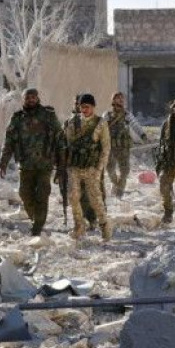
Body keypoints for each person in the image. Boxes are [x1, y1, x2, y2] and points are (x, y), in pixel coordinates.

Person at [0, 88, 65, 236]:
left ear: (38, 98)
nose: (31, 100)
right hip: (25, 164)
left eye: (33, 97)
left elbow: (60, 139)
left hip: (45, 163)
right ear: (23, 100)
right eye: (28, 98)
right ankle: (35, 217)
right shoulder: (17, 118)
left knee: (42, 195)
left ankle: (37, 226)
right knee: (24, 194)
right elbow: (8, 141)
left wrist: (61, 164)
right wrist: (3, 162)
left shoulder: (48, 115)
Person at [64, 93, 112, 241]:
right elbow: (66, 143)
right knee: (73, 197)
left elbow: (106, 148)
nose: (84, 109)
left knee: (95, 200)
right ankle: (79, 226)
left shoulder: (100, 123)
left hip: (91, 168)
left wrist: (99, 169)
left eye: (87, 107)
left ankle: (104, 226)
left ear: (93, 107)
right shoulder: (72, 122)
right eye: (82, 107)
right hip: (74, 166)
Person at [102, 92, 147, 198]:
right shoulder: (107, 115)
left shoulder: (127, 115)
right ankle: (115, 184)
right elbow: (101, 127)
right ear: (113, 100)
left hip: (123, 148)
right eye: (118, 98)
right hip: (111, 148)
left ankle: (119, 193)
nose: (121, 100)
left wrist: (143, 135)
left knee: (125, 171)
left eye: (122, 98)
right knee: (110, 170)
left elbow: (135, 125)